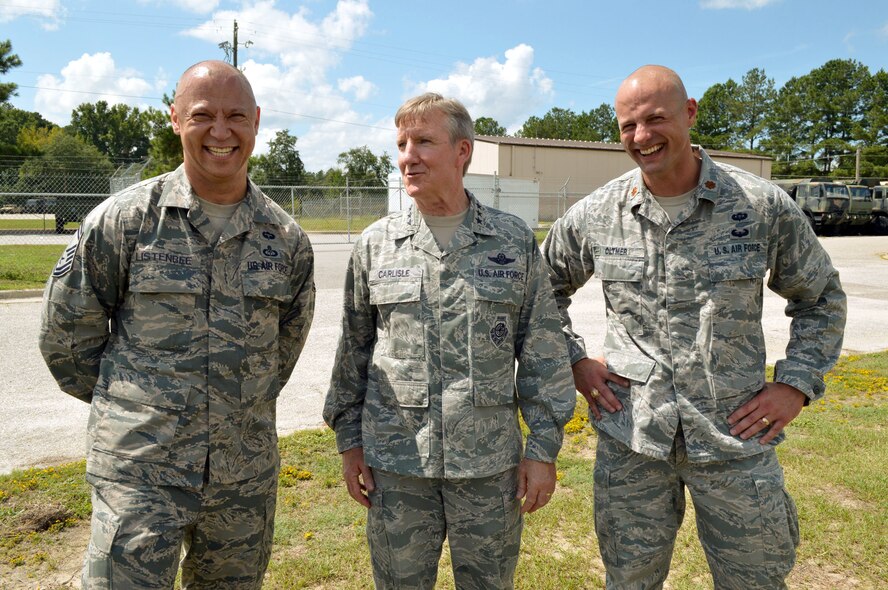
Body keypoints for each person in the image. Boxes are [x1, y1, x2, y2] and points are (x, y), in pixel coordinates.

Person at [542, 65, 847, 589]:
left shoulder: (759, 206)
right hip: (632, 439)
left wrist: (796, 384)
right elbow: (539, 294)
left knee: (754, 580)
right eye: (627, 126)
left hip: (734, 439)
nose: (642, 137)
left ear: (689, 113)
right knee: (630, 581)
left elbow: (820, 298)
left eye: (655, 118)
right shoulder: (597, 213)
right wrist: (575, 360)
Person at [39, 60, 315, 589]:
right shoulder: (123, 221)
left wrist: (230, 409)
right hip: (140, 471)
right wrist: (136, 411)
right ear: (175, 119)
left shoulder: (285, 238)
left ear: (256, 121)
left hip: (242, 474)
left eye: (236, 116)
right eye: (203, 115)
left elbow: (283, 350)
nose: (220, 131)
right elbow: (67, 341)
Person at [323, 92, 576, 589]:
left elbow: (543, 350)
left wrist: (543, 449)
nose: (407, 156)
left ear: (463, 151)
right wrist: (349, 442)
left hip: (487, 470)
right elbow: (352, 351)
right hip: (398, 467)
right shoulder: (377, 244)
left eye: (423, 141)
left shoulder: (512, 241)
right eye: (401, 143)